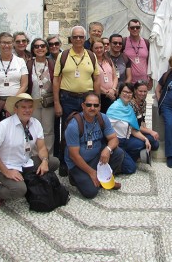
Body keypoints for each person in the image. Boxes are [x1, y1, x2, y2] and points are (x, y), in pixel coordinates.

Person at [0, 93, 59, 208]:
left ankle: (27, 179)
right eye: (23, 107)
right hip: (7, 166)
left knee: (54, 162)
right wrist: (6, 172)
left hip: (25, 163)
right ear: (16, 109)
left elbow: (41, 148)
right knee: (19, 190)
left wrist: (44, 161)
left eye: (30, 107)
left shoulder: (35, 123)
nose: (27, 110)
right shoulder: (5, 125)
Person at [53, 26, 100, 176]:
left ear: (84, 39)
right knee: (67, 132)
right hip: (68, 98)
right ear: (71, 39)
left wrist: (97, 102)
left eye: (81, 37)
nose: (78, 39)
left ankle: (84, 160)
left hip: (86, 99)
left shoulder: (92, 56)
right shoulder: (64, 56)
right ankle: (64, 162)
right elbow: (56, 80)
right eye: (75, 37)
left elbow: (96, 79)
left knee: (87, 131)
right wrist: (56, 102)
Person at [0, 32, 28, 184]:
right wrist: (1, 103)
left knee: (15, 137)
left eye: (9, 42)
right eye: (3, 42)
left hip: (16, 103)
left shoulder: (19, 62)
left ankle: (15, 164)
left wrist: (13, 103)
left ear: (13, 44)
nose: (6, 45)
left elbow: (24, 84)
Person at [64, 92, 125, 199]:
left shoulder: (103, 118)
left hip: (96, 157)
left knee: (118, 153)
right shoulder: (74, 125)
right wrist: (91, 172)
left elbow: (114, 139)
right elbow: (74, 156)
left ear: (99, 107)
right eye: (89, 105)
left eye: (96, 105)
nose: (92, 108)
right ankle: (75, 177)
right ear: (83, 106)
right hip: (77, 163)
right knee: (91, 192)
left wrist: (107, 149)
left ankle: (102, 179)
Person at [106, 83, 151, 173]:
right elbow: (106, 131)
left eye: (130, 92)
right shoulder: (114, 108)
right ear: (119, 93)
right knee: (131, 168)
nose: (127, 94)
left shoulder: (129, 108)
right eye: (125, 92)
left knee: (142, 143)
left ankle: (125, 157)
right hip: (116, 142)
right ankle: (116, 162)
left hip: (126, 140)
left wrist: (146, 139)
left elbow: (133, 130)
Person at [26, 38, 55, 155]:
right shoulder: (28, 64)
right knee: (33, 130)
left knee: (48, 131)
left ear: (47, 48)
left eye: (42, 46)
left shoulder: (52, 63)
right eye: (36, 46)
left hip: (48, 102)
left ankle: (48, 157)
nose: (40, 49)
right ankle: (34, 156)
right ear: (33, 49)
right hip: (33, 102)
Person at [130, 80, 160, 158]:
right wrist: (150, 131)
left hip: (139, 130)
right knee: (146, 141)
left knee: (155, 144)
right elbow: (133, 127)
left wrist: (148, 132)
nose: (143, 94)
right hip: (131, 132)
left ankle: (141, 146)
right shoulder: (130, 104)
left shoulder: (143, 102)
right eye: (140, 91)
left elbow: (143, 122)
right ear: (135, 91)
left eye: (145, 91)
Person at [92, 38, 117, 113]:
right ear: (92, 49)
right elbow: (92, 80)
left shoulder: (108, 60)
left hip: (112, 95)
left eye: (101, 47)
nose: (99, 50)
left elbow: (115, 77)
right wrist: (106, 92)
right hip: (100, 96)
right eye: (96, 48)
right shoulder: (91, 62)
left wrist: (113, 89)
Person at [123, 19, 152, 85]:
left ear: (140, 28)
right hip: (128, 82)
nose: (135, 29)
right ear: (128, 29)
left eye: (137, 27)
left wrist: (151, 79)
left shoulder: (146, 42)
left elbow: (151, 62)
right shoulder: (123, 42)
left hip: (144, 82)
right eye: (132, 27)